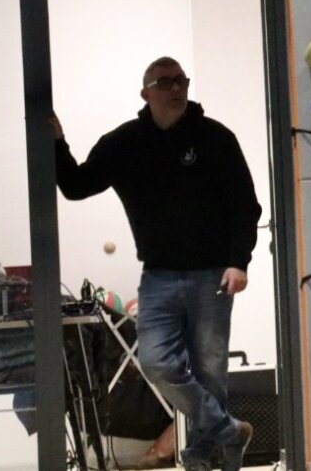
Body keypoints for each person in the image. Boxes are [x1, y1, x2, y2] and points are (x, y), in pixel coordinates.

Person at [53, 57, 261, 471]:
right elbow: (76, 186)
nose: (176, 88)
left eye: (181, 80)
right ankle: (228, 430)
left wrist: (239, 262)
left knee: (210, 372)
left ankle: (201, 456)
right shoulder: (124, 143)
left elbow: (245, 206)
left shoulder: (216, 138)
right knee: (155, 363)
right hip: (159, 277)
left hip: (212, 274)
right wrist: (57, 143)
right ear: (145, 93)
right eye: (165, 82)